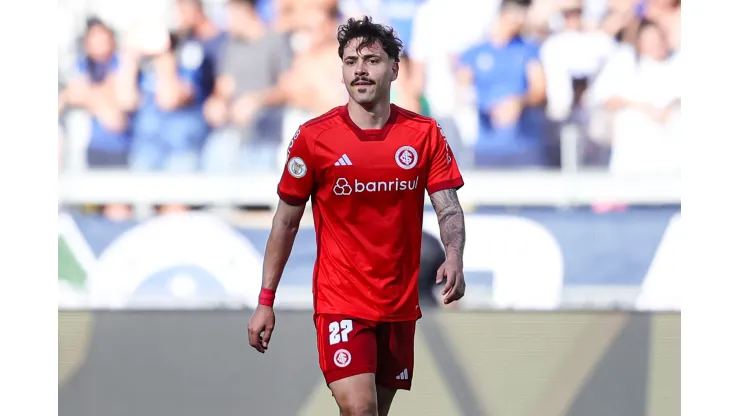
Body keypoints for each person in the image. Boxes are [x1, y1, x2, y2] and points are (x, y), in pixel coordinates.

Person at [247, 16, 467, 416]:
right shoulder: (315, 139)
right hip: (341, 300)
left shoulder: (424, 134)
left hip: (398, 303)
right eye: (350, 61)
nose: (360, 69)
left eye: (371, 59)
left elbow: (448, 206)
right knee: (360, 409)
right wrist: (266, 300)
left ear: (395, 69)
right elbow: (286, 221)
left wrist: (454, 255)